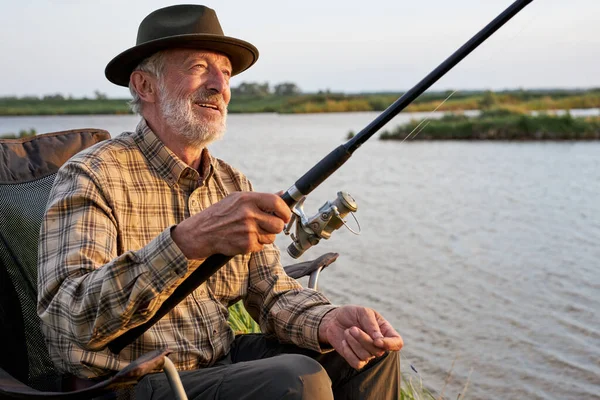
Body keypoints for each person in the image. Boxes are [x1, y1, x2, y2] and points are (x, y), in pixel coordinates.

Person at [37, 5, 403, 399]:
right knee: (296, 377)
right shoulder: (92, 174)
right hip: (130, 383)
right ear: (145, 86)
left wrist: (328, 321)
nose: (219, 86)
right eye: (198, 67)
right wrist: (187, 242)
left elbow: (272, 293)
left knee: (363, 353)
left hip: (218, 363)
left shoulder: (231, 182)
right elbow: (67, 322)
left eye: (226, 73)